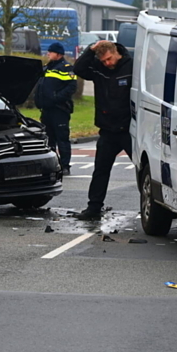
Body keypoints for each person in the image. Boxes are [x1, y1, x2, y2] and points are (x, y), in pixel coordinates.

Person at [72, 39, 133, 220]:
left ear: (117, 53)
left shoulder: (131, 67)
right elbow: (79, 69)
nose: (108, 63)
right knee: (100, 170)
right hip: (107, 129)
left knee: (144, 169)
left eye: (109, 59)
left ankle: (154, 208)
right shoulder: (99, 69)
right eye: (104, 61)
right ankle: (94, 207)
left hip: (129, 129)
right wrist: (91, 51)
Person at [35, 42, 76, 175]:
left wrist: (56, 98)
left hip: (60, 109)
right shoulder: (47, 68)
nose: (48, 54)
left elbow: (71, 87)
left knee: (62, 138)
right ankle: (52, 165)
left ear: (58, 54)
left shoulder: (66, 68)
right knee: (48, 139)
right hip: (46, 109)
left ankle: (65, 166)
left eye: (51, 52)